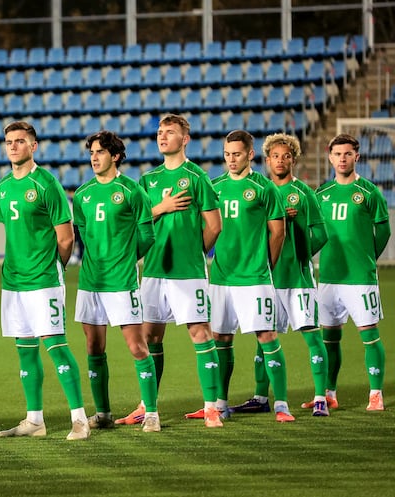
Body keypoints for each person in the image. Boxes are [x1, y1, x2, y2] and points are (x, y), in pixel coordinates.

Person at [121, 114, 224, 428]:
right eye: (160, 132)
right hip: (152, 271)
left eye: (170, 132)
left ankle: (211, 408)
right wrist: (160, 208)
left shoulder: (197, 177)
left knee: (200, 333)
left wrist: (194, 253)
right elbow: (136, 221)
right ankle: (146, 404)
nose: (162, 137)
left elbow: (214, 226)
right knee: (149, 336)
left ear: (185, 139)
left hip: (188, 272)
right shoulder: (148, 180)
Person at [0, 121, 90, 441]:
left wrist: (55, 271)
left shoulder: (47, 184)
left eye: (20, 141)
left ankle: (79, 419)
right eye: (9, 141)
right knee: (25, 350)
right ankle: (34, 420)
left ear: (33, 146)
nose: (13, 146)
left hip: (44, 279)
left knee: (57, 347)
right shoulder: (3, 186)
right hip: (14, 281)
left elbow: (66, 238)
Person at [230, 133, 329, 416]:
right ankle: (261, 397)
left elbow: (321, 234)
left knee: (311, 336)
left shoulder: (305, 193)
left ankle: (320, 397)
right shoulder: (259, 190)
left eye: (286, 156)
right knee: (264, 341)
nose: (280, 161)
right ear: (267, 159)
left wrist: (299, 255)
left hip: (296, 280)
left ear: (294, 160)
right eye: (275, 156)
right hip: (264, 279)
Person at [72, 131, 159, 432]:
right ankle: (103, 413)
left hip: (122, 282)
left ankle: (152, 413)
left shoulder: (133, 191)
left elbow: (147, 236)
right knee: (94, 347)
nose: (94, 157)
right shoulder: (82, 195)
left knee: (137, 347)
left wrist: (125, 257)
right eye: (91, 153)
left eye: (100, 152)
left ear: (116, 156)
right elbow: (82, 234)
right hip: (90, 282)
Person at [207, 129, 294, 422]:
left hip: (254, 278)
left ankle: (281, 405)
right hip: (220, 277)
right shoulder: (214, 186)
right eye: (227, 154)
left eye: (237, 154)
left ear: (250, 155)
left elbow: (278, 232)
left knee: (267, 336)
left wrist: (263, 265)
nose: (231, 160)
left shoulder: (264, 188)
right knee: (220, 337)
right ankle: (219, 404)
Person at [315, 133, 390, 411]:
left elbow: (383, 230)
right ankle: (330, 393)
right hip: (330, 277)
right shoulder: (321, 194)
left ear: (356, 156)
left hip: (360, 278)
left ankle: (376, 393)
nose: (342, 159)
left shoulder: (370, 192)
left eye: (348, 154)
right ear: (330, 156)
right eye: (337, 154)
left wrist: (367, 256)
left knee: (369, 334)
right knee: (329, 337)